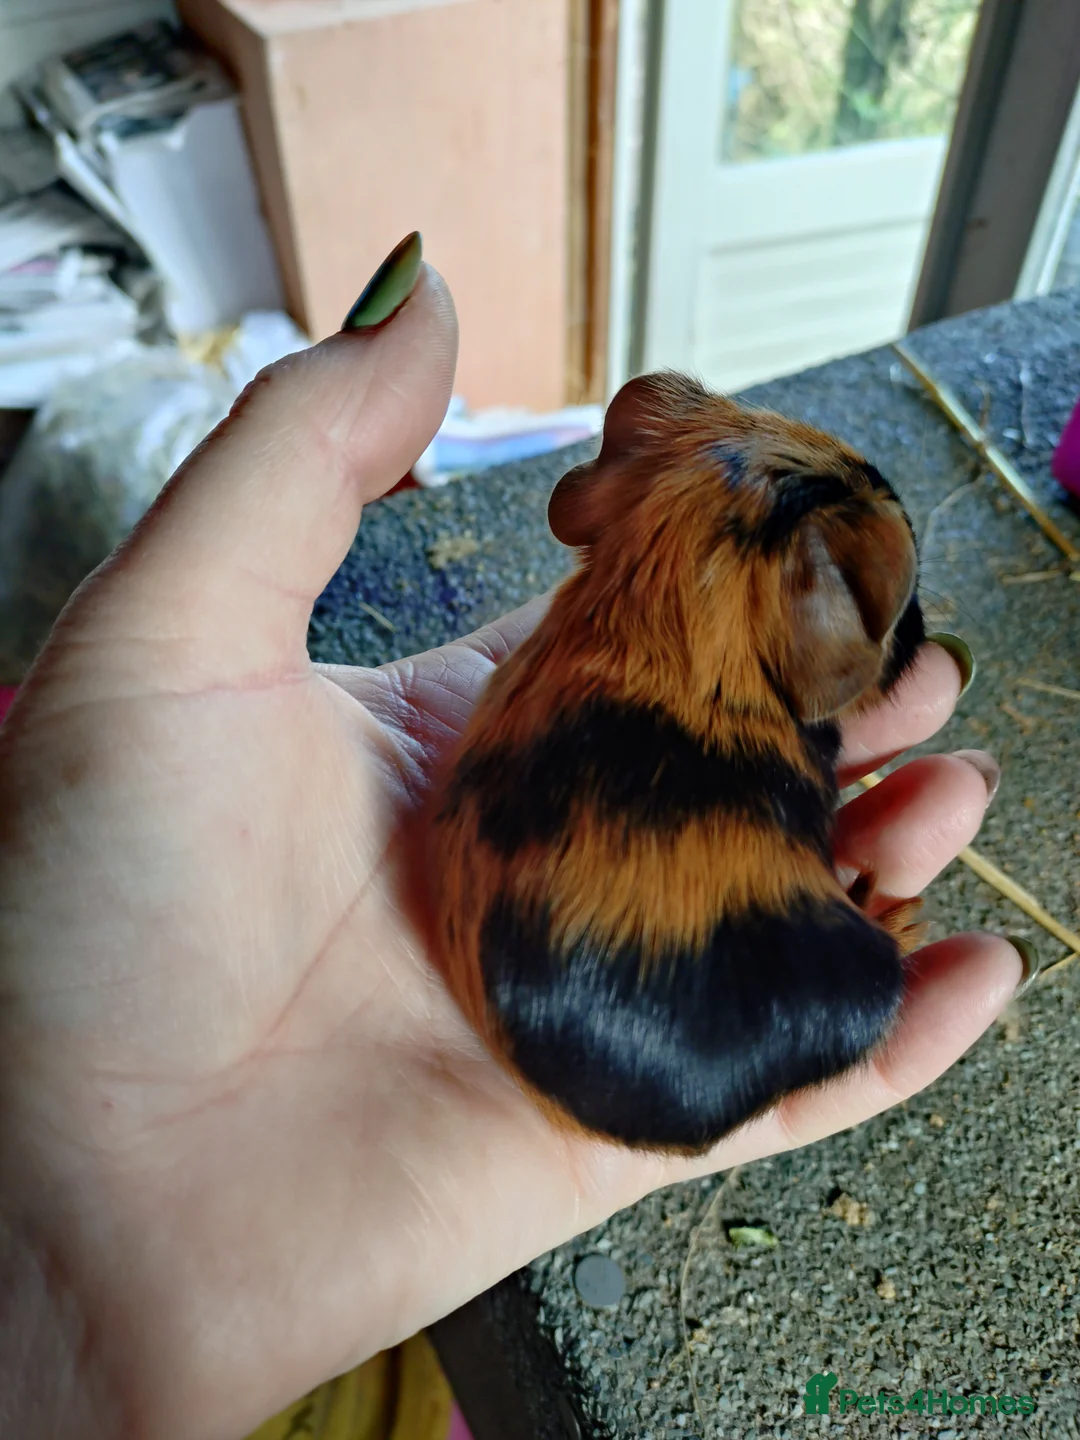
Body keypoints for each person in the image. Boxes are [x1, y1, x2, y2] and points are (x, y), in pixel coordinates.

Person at [0, 244, 1026, 1440]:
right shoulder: (761, 717)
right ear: (816, 608)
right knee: (855, 989)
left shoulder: (576, 649)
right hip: (660, 1030)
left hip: (547, 983)